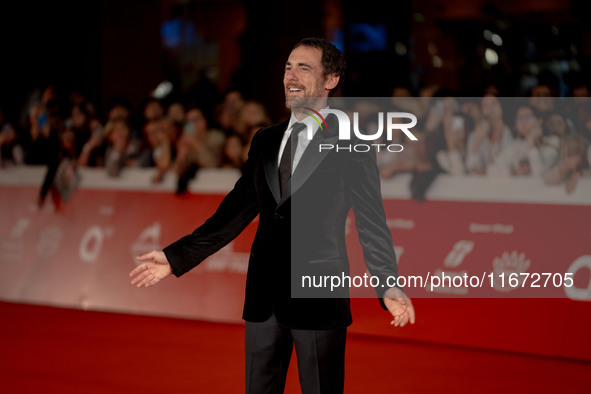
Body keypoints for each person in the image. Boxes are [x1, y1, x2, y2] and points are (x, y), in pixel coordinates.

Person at [129, 37, 415, 394]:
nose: (291, 76)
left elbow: (372, 222)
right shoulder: (265, 140)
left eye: (304, 68)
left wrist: (387, 282)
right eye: (287, 67)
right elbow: (232, 213)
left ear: (331, 80)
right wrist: (175, 257)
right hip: (263, 299)